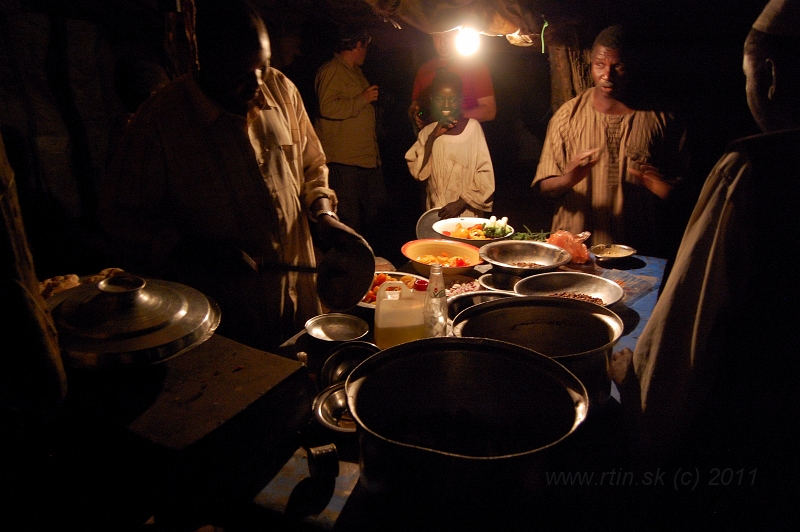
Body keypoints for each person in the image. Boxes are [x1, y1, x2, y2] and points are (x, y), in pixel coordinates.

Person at [610, 1, 799, 528]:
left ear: (773, 76)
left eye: (749, 74)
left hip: (746, 431)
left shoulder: (755, 168)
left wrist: (637, 408)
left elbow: (685, 332)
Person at [98, 0, 364, 351]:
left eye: (263, 65)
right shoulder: (160, 122)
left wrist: (323, 213)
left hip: (298, 308)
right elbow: (121, 219)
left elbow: (312, 165)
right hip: (224, 325)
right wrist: (188, 249)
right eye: (240, 72)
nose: (256, 82)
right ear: (203, 62)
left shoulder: (280, 89)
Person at [531, 25, 690, 258]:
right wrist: (569, 179)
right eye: (600, 65)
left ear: (633, 66)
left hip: (638, 254)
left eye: (618, 66)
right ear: (591, 63)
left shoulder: (662, 120)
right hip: (576, 254)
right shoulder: (568, 116)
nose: (607, 76)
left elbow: (690, 199)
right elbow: (544, 188)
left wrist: (662, 189)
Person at [314, 26, 388, 252]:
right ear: (356, 45)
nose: (366, 52)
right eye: (365, 47)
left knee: (378, 215)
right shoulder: (332, 70)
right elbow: (327, 107)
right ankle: (350, 270)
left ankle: (375, 262)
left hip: (366, 160)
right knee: (349, 220)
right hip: (345, 161)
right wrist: (362, 98)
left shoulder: (355, 72)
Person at [405, 70, 495, 219]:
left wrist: (461, 202)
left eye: (452, 99)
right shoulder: (427, 133)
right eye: (441, 99)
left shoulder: (473, 129)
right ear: (432, 99)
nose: (446, 104)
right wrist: (432, 137)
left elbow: (485, 176)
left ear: (460, 100)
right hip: (437, 215)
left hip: (466, 214)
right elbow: (418, 172)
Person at [407, 30, 496, 131]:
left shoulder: (476, 66)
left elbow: (489, 111)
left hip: (465, 135)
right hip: (430, 136)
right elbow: (414, 107)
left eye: (448, 36)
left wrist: (450, 117)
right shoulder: (424, 69)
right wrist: (417, 116)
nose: (442, 42)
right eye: (437, 36)